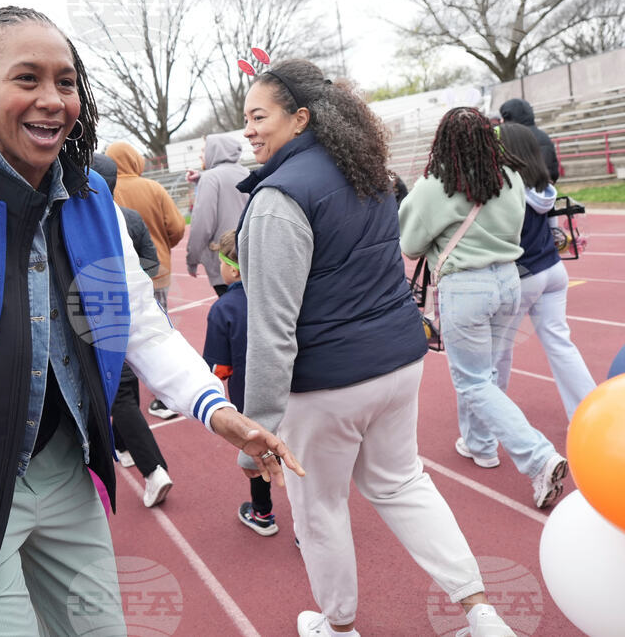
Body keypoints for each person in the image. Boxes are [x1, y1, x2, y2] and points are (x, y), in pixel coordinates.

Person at [0, 6, 301, 636]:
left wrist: (215, 409)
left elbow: (139, 326)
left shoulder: (93, 200)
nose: (52, 99)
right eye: (28, 79)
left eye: (65, 82)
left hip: (65, 468)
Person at [238, 61, 515, 637]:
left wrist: (254, 430)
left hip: (329, 384)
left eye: (258, 116)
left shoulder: (279, 198)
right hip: (398, 361)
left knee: (321, 510)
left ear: (302, 118)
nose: (248, 130)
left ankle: (338, 626)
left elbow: (271, 326)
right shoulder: (369, 171)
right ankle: (479, 611)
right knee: (403, 482)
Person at [400, 108, 568, 509]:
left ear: (442, 141)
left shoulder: (434, 184)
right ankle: (481, 444)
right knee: (489, 369)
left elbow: (409, 244)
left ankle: (537, 456)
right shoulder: (510, 175)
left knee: (473, 381)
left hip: (466, 287)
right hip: (508, 280)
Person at [495, 123, 595, 419]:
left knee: (497, 352)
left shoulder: (506, 189)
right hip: (553, 270)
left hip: (523, 274)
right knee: (561, 344)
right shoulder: (544, 187)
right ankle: (590, 413)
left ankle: (490, 422)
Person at [91, 154, 174, 507]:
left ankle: (154, 469)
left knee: (120, 397)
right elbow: (153, 261)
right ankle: (121, 446)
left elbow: (148, 263)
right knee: (117, 394)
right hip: (112, 313)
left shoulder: (113, 222)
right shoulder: (130, 218)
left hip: (104, 317)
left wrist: (120, 277)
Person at [202, 230, 278, 537]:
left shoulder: (224, 309)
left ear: (232, 268)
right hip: (296, 390)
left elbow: (218, 369)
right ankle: (306, 528)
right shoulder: (284, 292)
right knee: (299, 452)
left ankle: (263, 515)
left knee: (259, 453)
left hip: (252, 398)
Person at [106, 141, 187, 419]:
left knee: (123, 334)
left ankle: (126, 399)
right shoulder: (152, 187)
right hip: (157, 271)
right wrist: (163, 243)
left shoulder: (104, 191)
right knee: (157, 330)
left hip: (117, 276)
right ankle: (166, 392)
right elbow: (176, 227)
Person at [185, 134, 250, 296]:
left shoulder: (210, 178)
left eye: (203, 150)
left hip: (225, 261)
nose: (201, 154)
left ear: (214, 151)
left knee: (232, 313)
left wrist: (192, 260)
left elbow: (202, 225)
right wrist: (201, 177)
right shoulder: (247, 173)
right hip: (249, 256)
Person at [499, 98, 559, 182]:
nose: (501, 121)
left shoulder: (509, 138)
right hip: (543, 189)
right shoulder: (544, 136)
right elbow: (553, 171)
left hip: (521, 189)